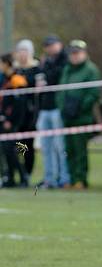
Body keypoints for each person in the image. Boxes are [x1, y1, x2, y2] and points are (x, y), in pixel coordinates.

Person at [56, 40, 101, 189]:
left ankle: (80, 179)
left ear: (84, 53)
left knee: (80, 149)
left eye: (77, 53)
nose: (74, 56)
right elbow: (61, 92)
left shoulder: (90, 70)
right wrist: (63, 108)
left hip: (81, 117)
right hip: (67, 116)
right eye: (72, 53)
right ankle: (70, 177)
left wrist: (79, 108)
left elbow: (93, 94)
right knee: (69, 150)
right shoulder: (67, 69)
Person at [36, 35, 71, 189]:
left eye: (52, 45)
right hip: (45, 108)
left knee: (60, 146)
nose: (50, 48)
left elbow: (57, 76)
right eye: (47, 45)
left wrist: (46, 78)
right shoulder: (46, 61)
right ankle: (49, 178)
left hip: (57, 108)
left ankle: (64, 178)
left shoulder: (65, 59)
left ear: (60, 44)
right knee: (46, 147)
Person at [0, 53, 31, 187]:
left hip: (14, 122)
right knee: (5, 150)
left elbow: (20, 104)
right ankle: (10, 178)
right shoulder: (4, 79)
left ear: (7, 64)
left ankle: (23, 177)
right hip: (4, 119)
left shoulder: (17, 80)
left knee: (12, 150)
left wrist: (10, 120)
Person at [13, 39, 42, 177]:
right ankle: (18, 171)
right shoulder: (14, 69)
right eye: (20, 51)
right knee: (17, 145)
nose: (23, 54)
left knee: (28, 145)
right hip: (16, 114)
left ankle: (28, 172)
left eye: (26, 51)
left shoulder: (37, 68)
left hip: (30, 113)